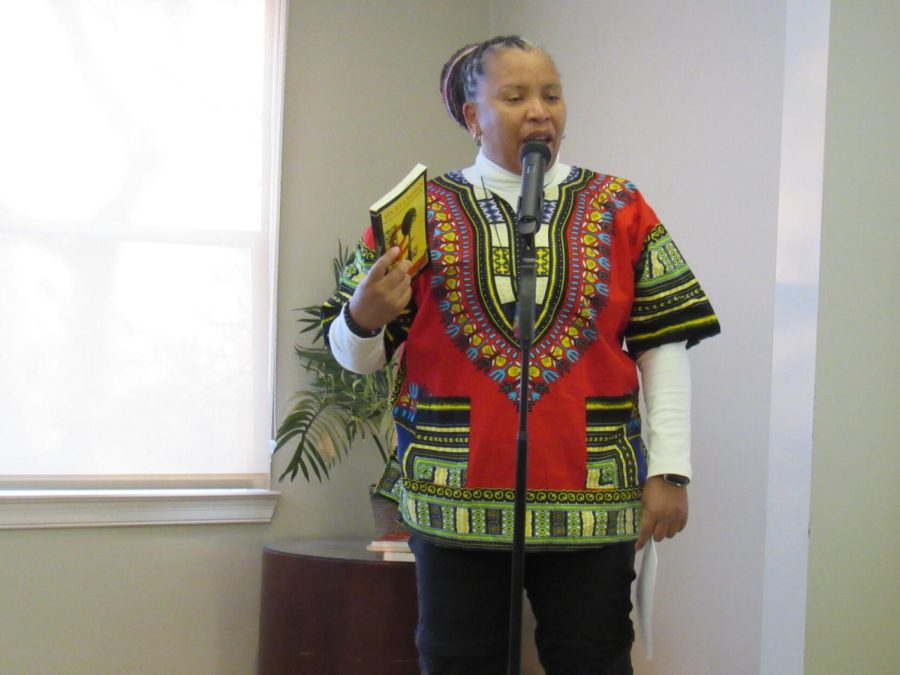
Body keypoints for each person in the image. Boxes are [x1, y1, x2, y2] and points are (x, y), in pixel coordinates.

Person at [322, 35, 720, 675]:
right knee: (456, 661)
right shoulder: (416, 215)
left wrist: (670, 470)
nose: (540, 111)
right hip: (455, 496)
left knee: (593, 661)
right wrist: (363, 318)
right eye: (515, 97)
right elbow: (355, 358)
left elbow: (662, 343)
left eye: (552, 94)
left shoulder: (620, 206)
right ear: (472, 116)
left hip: (594, 491)